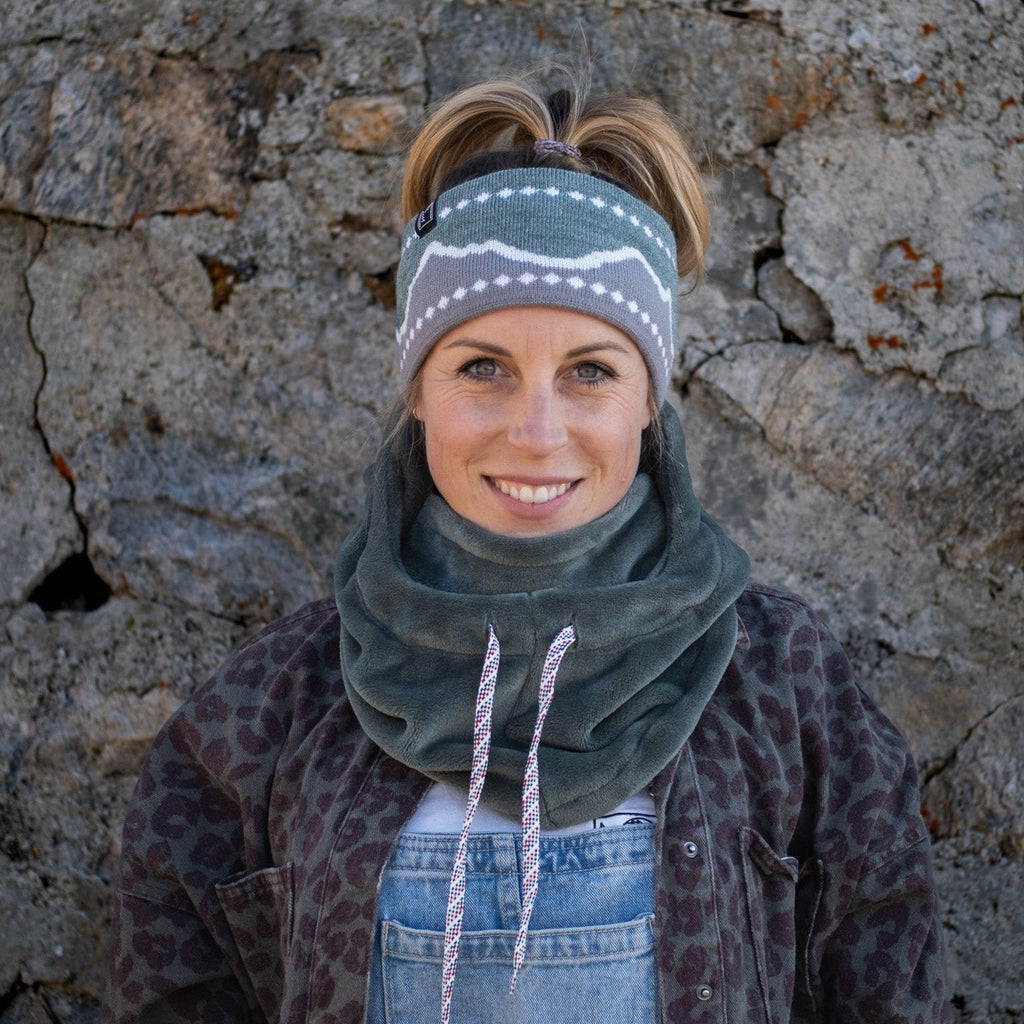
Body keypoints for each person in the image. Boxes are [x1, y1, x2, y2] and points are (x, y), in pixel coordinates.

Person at [101, 69, 950, 1024]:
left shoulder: (783, 686)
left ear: (650, 401)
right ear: (418, 392)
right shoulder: (267, 711)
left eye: (590, 371)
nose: (537, 433)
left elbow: (885, 986)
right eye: (482, 368)